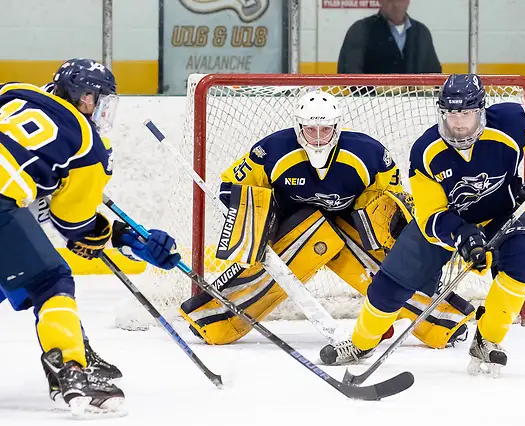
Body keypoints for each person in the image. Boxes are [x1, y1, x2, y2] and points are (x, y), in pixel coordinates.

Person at [179, 90, 474, 359]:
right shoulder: (272, 151)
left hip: (348, 225)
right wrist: (254, 216)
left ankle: (440, 322)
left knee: (392, 269)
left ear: (337, 127)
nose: (318, 136)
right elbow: (232, 186)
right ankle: (215, 319)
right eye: (310, 129)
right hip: (292, 228)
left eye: (325, 129)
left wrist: (400, 241)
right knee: (307, 235)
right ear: (298, 128)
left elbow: (395, 201)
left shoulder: (368, 154)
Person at [321, 74, 525, 376]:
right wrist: (462, 235)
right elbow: (431, 215)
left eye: (466, 113)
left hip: (504, 213)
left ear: (481, 110)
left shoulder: (510, 122)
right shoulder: (425, 151)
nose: (458, 123)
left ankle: (488, 339)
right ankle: (361, 343)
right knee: (388, 287)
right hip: (448, 225)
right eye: (451, 113)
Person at [0, 58, 181, 414]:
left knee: (17, 266)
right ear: (80, 96)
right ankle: (71, 368)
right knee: (49, 281)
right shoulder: (85, 143)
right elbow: (72, 225)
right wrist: (130, 240)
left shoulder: (12, 93)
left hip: (8, 205)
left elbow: (35, 219)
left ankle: (75, 349)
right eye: (96, 98)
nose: (99, 107)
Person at [337, 0, 441, 74]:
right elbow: (349, 72)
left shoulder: (422, 32)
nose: (396, 4)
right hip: (371, 103)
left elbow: (434, 74)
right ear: (380, 1)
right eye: (390, 0)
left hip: (415, 103)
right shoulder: (360, 30)